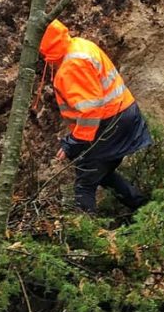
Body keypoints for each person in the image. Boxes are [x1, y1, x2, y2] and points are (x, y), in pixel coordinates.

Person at [38, 19, 152, 213]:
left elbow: (90, 110)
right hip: (122, 114)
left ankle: (86, 235)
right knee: (101, 172)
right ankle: (144, 209)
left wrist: (74, 142)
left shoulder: (71, 66)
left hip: (111, 122)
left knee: (85, 181)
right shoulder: (78, 45)